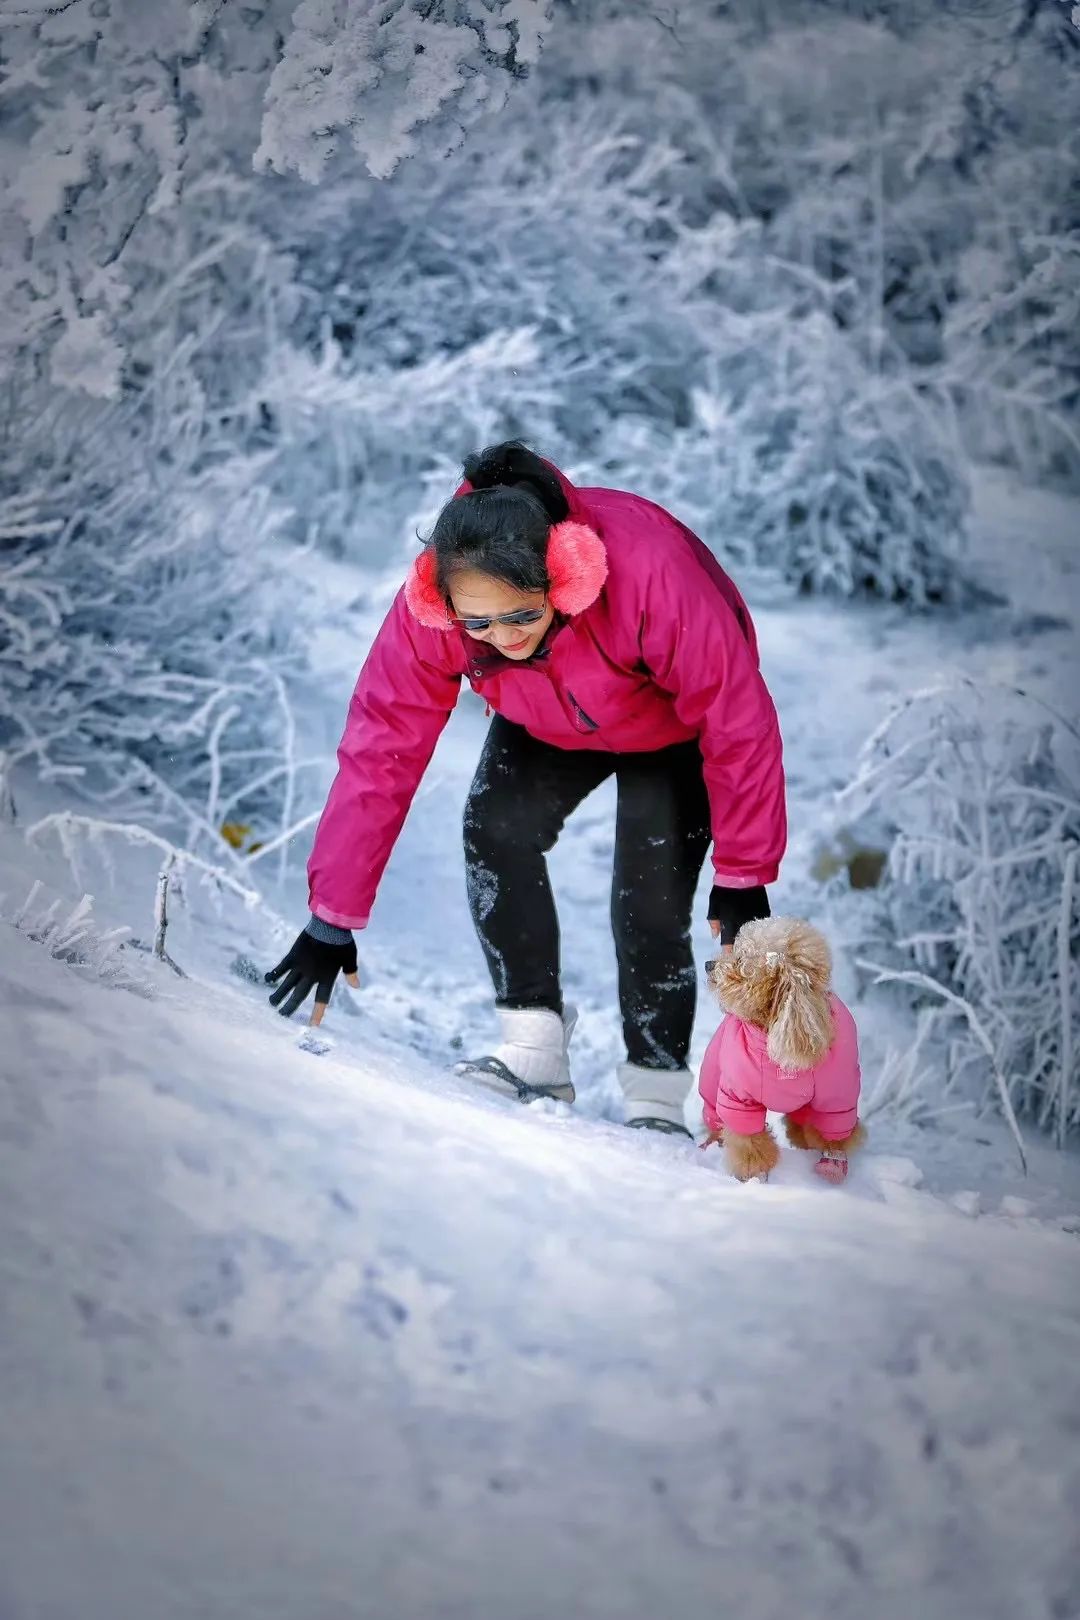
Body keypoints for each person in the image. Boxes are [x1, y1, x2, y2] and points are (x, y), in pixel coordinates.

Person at [265, 441, 787, 1135]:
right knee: (494, 828)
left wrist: (745, 871)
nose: (500, 639)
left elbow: (736, 715)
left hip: (669, 728)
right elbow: (381, 745)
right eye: (477, 623)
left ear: (564, 580)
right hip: (542, 719)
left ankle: (657, 1099)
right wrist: (333, 915)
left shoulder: (650, 573)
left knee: (651, 898)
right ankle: (534, 1051)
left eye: (521, 617)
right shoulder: (436, 613)